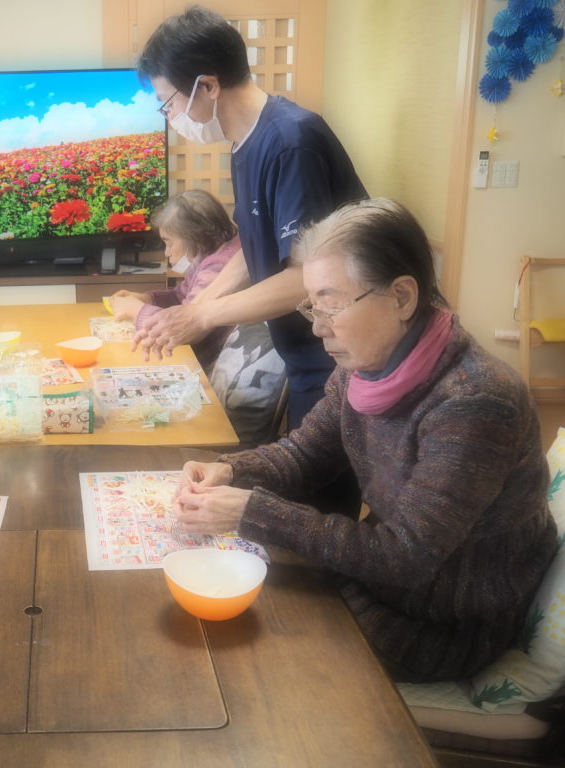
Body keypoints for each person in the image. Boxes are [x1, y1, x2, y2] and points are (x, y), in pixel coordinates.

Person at [173, 199, 557, 682]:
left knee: (249, 650)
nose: (318, 326)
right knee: (228, 606)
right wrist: (231, 471)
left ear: (402, 297)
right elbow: (304, 453)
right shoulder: (367, 366)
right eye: (312, 305)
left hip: (439, 622)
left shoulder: (474, 402)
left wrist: (253, 511)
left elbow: (407, 556)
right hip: (381, 583)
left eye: (331, 304)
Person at [134, 5, 367, 429]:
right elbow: (252, 247)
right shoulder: (245, 143)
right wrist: (195, 307)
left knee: (321, 471)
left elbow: (306, 278)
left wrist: (203, 316)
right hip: (304, 352)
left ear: (208, 86)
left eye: (168, 102)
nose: (171, 116)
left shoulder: (291, 141)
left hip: (340, 357)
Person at [108, 189, 241, 372]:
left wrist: (137, 310)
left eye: (169, 243)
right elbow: (180, 296)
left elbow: (186, 325)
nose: (166, 252)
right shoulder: (210, 254)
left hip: (208, 365)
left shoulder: (217, 266)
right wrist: (148, 299)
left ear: (195, 238)